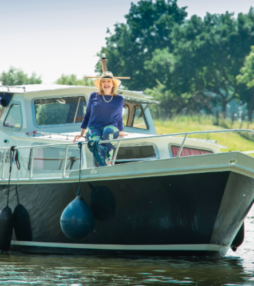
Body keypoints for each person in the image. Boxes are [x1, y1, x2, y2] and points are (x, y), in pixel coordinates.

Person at [73, 71, 127, 165]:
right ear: (100, 84)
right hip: (94, 127)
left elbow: (119, 116)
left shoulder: (119, 98)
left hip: (111, 127)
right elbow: (88, 114)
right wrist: (82, 132)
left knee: (107, 132)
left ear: (113, 84)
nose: (106, 84)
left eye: (109, 81)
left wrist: (121, 131)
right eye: (103, 81)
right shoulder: (93, 96)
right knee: (96, 141)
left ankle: (109, 160)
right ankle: (103, 166)